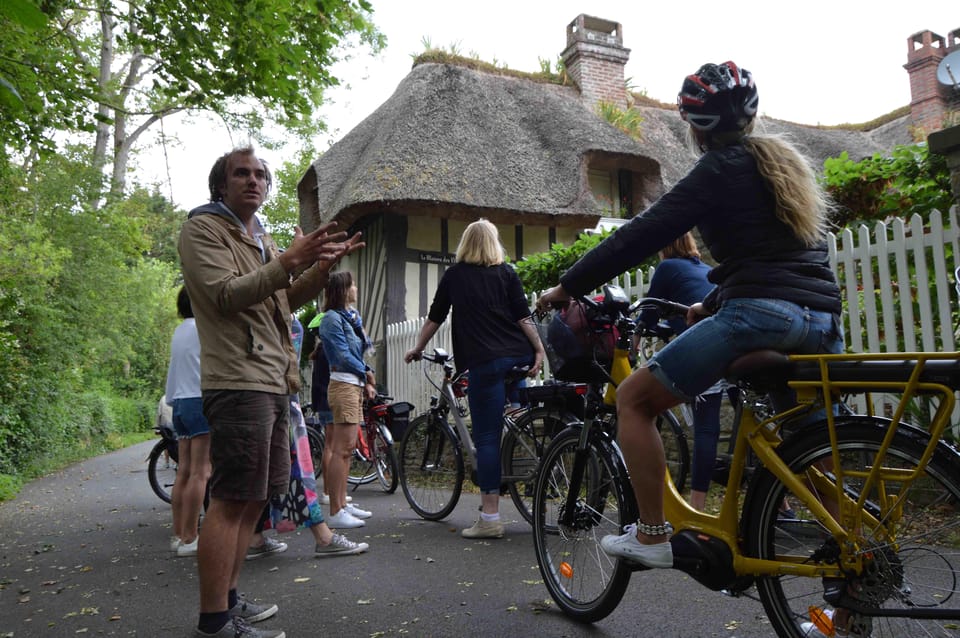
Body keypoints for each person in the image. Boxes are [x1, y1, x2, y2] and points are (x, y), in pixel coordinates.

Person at [537, 61, 843, 569]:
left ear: (694, 126)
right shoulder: (782, 165)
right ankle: (856, 578)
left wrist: (565, 286)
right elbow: (776, 260)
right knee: (806, 448)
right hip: (820, 320)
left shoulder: (718, 169)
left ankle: (653, 535)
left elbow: (640, 234)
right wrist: (712, 302)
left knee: (634, 400)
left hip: (760, 317)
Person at [178, 146, 362, 638]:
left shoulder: (257, 236)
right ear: (221, 184)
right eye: (242, 173)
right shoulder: (203, 230)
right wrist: (287, 260)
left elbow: (281, 300)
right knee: (233, 498)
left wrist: (320, 269)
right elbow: (224, 296)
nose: (253, 180)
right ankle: (214, 620)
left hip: (274, 380)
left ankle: (230, 599)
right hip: (238, 380)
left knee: (257, 496)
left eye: (260, 174)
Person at [404, 219, 545, 538]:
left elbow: (435, 317)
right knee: (510, 401)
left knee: (486, 439)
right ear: (495, 243)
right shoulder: (507, 272)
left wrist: (417, 348)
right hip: (517, 354)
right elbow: (524, 316)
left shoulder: (455, 276)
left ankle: (491, 518)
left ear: (465, 243)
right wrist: (538, 350)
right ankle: (515, 408)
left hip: (486, 361)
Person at [247, 314, 369, 558]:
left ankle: (254, 537)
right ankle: (322, 536)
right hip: (271, 398)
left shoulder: (273, 306)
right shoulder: (266, 306)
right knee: (295, 470)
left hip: (276, 397)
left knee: (269, 472)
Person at [641, 232, 724, 512]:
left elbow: (649, 314)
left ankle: (697, 507)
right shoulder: (708, 271)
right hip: (734, 342)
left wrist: (634, 339)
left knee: (706, 427)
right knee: (747, 430)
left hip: (707, 346)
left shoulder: (667, 268)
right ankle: (782, 504)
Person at [318, 271, 375, 529]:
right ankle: (335, 509)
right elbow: (341, 355)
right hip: (342, 384)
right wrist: (366, 371)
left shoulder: (349, 317)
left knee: (348, 449)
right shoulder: (330, 319)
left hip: (353, 385)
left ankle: (342, 502)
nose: (356, 288)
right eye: (351, 284)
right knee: (341, 450)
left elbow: (362, 349)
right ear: (342, 289)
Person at [165, 286, 212, 558]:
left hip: (180, 404)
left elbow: (174, 371)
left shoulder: (179, 331)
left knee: (184, 471)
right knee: (201, 472)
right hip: (199, 401)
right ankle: (191, 536)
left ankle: (179, 535)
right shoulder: (203, 329)